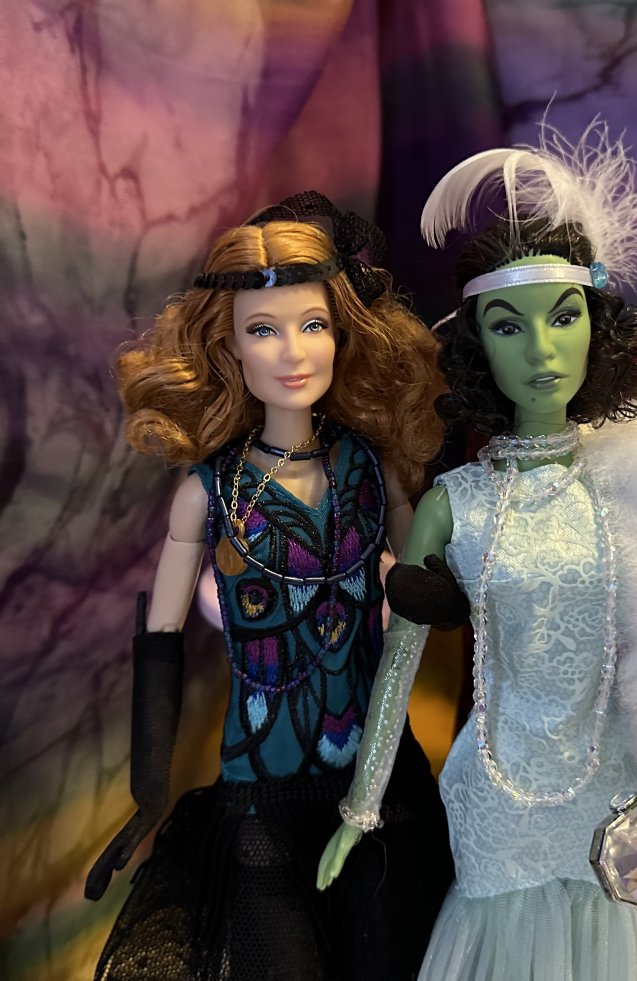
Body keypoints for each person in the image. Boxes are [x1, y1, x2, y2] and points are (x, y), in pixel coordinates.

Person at [318, 128, 637, 980]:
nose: (540, 350)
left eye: (563, 316)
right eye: (509, 325)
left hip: (613, 793)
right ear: (478, 347)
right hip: (495, 802)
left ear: (597, 327)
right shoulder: (456, 503)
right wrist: (360, 808)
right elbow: (398, 662)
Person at [85, 192, 453, 980]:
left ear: (344, 333)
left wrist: (435, 594)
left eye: (312, 324)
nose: (293, 351)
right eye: (263, 329)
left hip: (379, 782)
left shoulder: (373, 470)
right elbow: (160, 637)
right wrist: (149, 790)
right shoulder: (209, 495)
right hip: (261, 792)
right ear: (228, 347)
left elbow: (419, 581)